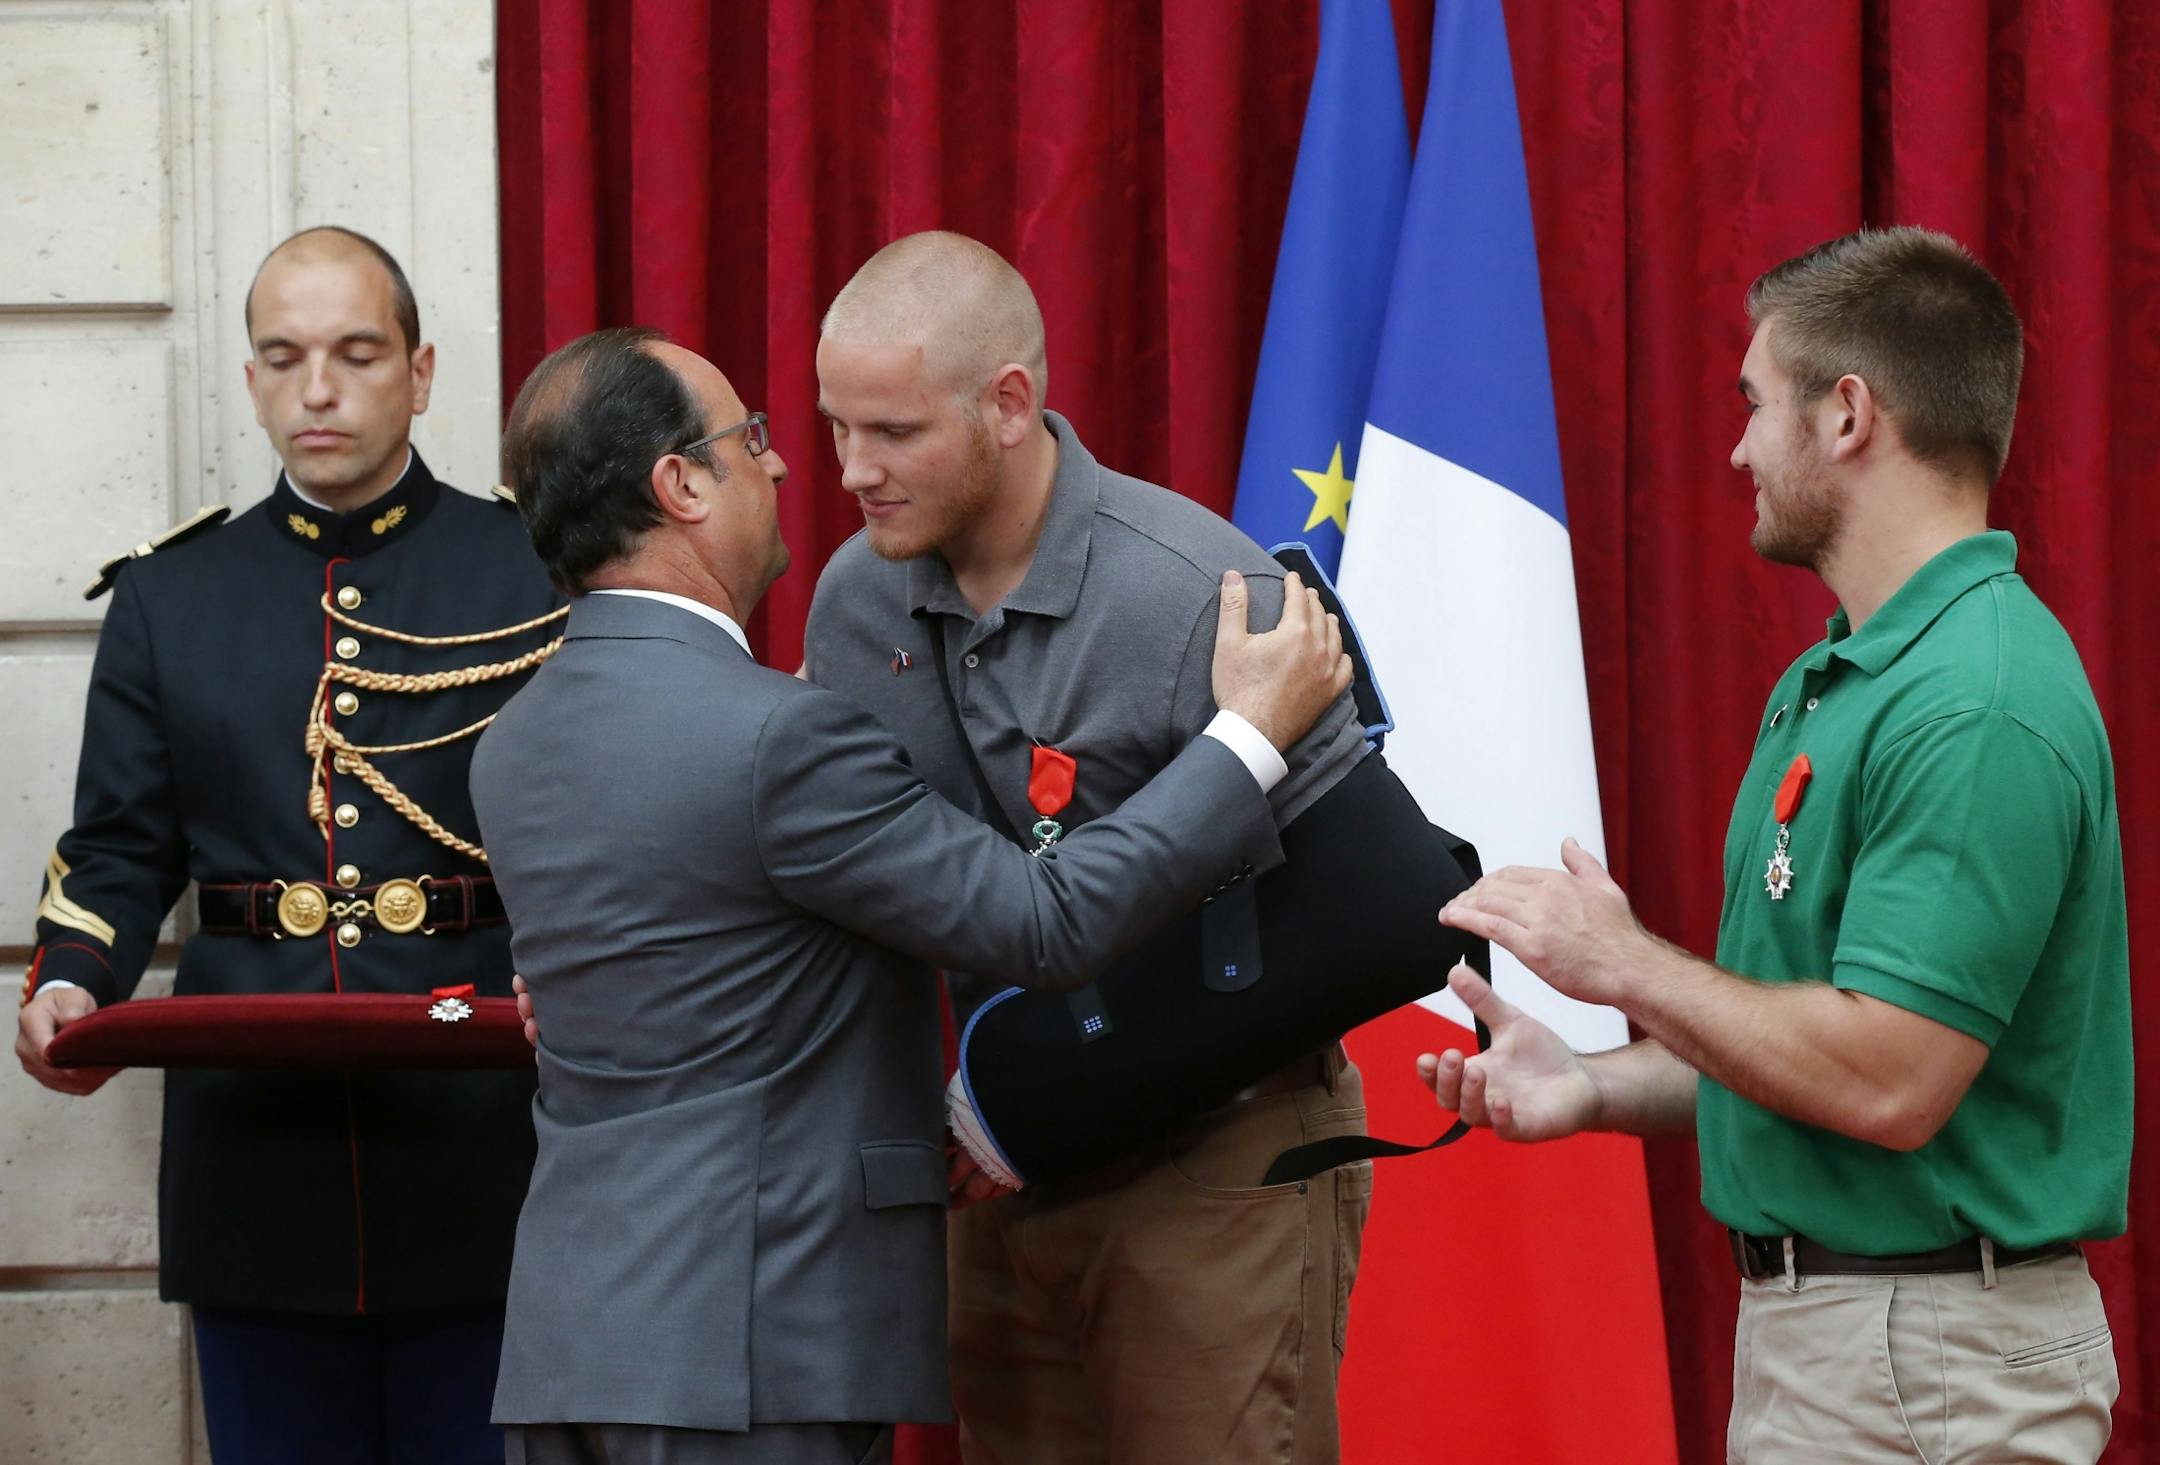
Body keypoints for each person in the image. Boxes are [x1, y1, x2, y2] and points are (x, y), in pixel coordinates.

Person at [473, 325, 1352, 1465]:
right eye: (751, 439)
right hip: (751, 1349)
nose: (789, 465)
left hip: (574, 1344)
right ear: (680, 485)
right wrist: (1246, 741)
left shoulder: (512, 740)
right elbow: (1048, 921)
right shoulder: (776, 741)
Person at [1428, 226, 2128, 1464]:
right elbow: (1805, 1049)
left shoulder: (1976, 701)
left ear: (1848, 414)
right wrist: (1592, 1083)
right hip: (1857, 1352)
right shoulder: (1840, 679)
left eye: (1755, 404)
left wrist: (1628, 962)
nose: (1739, 444)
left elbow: (1888, 1080)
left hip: (1930, 1366)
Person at [804, 231, 1376, 1464]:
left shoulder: (1201, 591)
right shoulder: (854, 601)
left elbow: (1365, 909)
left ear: (1011, 403)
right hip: (988, 1167)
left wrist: (1068, 1091)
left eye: (892, 432)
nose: (852, 469)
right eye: (836, 428)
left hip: (1213, 1159)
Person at [13, 226, 563, 1465]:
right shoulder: (172, 596)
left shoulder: (531, 569)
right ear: (254, 380)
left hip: (486, 1152)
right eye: (286, 357)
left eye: (357, 354)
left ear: (421, 373)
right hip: (258, 1165)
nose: (320, 388)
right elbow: (116, 850)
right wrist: (69, 979)